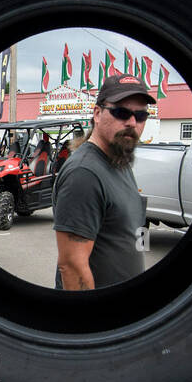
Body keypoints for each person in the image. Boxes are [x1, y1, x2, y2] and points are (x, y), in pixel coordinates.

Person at [53, 74, 153, 290]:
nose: (132, 122)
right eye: (121, 112)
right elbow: (72, 266)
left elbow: (133, 228)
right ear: (97, 113)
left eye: (141, 115)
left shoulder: (120, 160)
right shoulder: (84, 174)